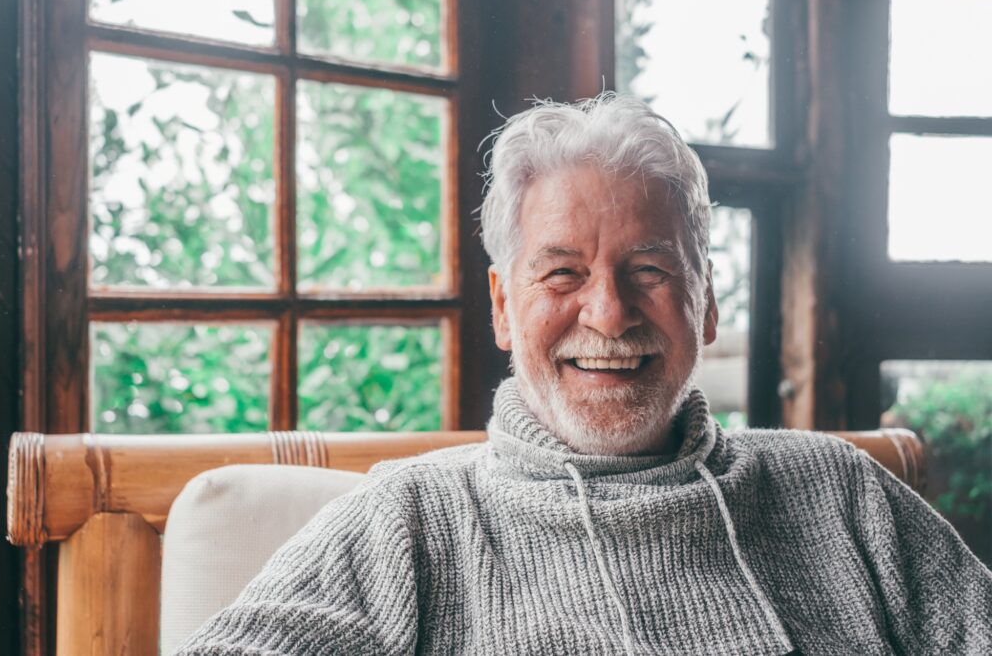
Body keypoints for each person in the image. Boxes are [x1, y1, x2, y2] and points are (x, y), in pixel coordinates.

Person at [176, 94, 991, 655]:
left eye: (649, 270)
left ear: (705, 302)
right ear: (503, 306)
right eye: (562, 274)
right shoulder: (410, 521)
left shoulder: (840, 492)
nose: (608, 314)